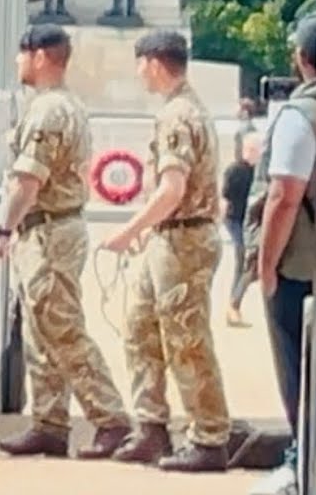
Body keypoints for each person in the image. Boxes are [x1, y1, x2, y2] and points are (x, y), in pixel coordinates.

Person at [0, 24, 132, 459]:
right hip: (49, 230)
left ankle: (111, 420)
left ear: (41, 56)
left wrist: (2, 234)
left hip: (49, 232)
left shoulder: (48, 111)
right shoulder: (64, 106)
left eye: (22, 53)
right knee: (40, 332)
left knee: (62, 330)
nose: (17, 61)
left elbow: (28, 182)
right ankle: (49, 423)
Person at [100, 30, 230, 472]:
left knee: (186, 340)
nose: (139, 73)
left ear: (154, 63)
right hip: (170, 237)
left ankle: (209, 437)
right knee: (141, 328)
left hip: (183, 240)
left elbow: (173, 189)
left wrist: (129, 230)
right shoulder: (184, 108)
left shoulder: (178, 115)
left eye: (140, 64)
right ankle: (151, 427)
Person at [244, 16, 316, 495]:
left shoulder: (302, 115)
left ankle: (300, 462)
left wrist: (266, 264)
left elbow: (284, 197)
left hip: (302, 267)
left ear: (302, 58)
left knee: (299, 369)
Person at [223, 132, 262, 326]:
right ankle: (233, 305)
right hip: (235, 221)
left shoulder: (258, 172)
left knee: (247, 263)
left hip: (248, 222)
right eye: (252, 150)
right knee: (244, 260)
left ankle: (234, 303)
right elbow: (225, 198)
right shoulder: (235, 171)